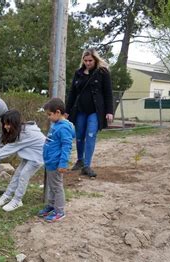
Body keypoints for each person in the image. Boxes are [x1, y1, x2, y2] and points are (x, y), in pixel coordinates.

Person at [0, 110, 45, 212]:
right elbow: (6, 146)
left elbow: (9, 149)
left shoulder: (26, 133)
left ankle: (17, 200)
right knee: (17, 174)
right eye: (4, 124)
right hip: (30, 155)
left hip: (38, 157)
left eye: (8, 124)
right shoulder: (19, 130)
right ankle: (7, 195)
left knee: (23, 175)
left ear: (15, 123)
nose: (6, 126)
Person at [65, 48, 113, 178]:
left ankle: (87, 165)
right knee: (79, 135)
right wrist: (66, 111)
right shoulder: (78, 73)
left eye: (90, 60)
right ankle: (80, 160)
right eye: (85, 60)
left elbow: (108, 93)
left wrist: (109, 111)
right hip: (80, 110)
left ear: (95, 59)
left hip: (95, 111)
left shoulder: (103, 73)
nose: (88, 63)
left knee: (90, 135)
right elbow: (72, 94)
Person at [38, 98, 75, 222]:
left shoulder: (63, 127)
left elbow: (66, 146)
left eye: (50, 114)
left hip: (56, 163)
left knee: (57, 187)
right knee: (52, 186)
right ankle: (52, 205)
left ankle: (59, 211)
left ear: (58, 112)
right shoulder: (56, 125)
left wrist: (63, 163)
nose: (48, 117)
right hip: (50, 162)